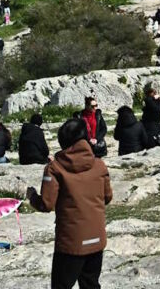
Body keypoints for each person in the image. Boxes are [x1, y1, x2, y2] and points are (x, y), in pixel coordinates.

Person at [27, 118, 113, 288]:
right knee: (91, 284)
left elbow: (46, 204)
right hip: (96, 239)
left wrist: (31, 196)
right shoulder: (99, 165)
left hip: (70, 242)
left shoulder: (54, 168)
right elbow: (107, 197)